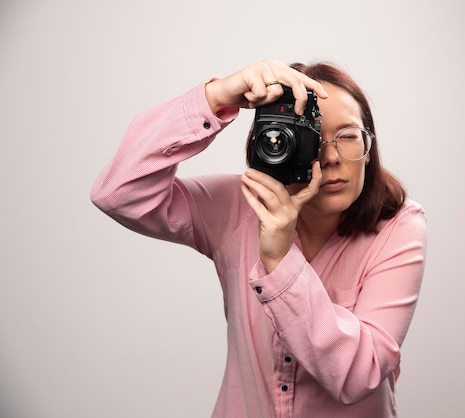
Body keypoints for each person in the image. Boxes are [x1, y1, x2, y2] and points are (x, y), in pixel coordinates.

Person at [91, 58, 427, 418]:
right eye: (312, 139)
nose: (330, 157)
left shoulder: (399, 226)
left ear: (369, 145)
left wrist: (281, 258)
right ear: (273, 144)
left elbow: (360, 374)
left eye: (347, 136)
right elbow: (118, 193)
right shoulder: (239, 207)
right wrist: (216, 96)